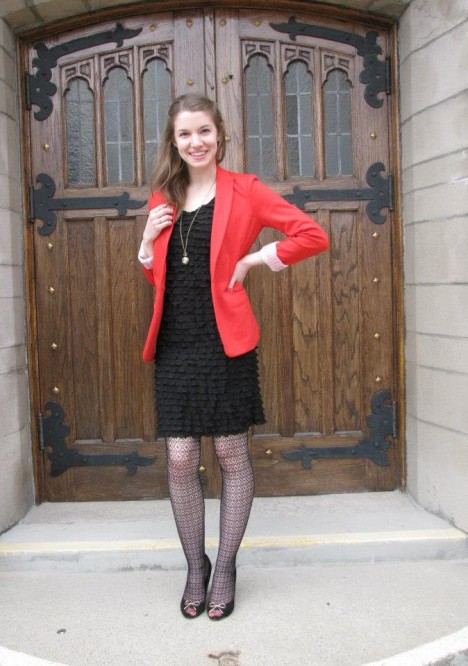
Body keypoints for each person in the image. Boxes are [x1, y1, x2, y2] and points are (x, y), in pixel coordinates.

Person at [138, 93, 329, 620]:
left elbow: (312, 235)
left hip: (226, 346)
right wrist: (147, 245)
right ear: (173, 142)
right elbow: (163, 277)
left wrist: (255, 259)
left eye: (204, 131)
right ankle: (193, 566)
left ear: (219, 134)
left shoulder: (246, 190)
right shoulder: (164, 194)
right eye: (184, 134)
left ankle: (224, 566)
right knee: (179, 458)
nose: (195, 142)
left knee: (230, 455)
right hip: (177, 344)